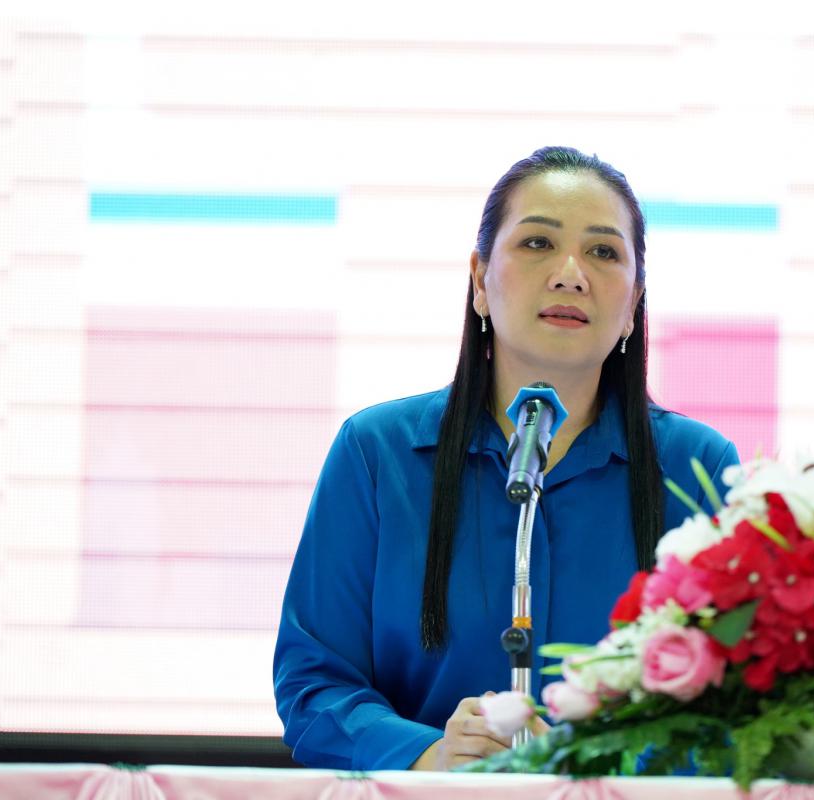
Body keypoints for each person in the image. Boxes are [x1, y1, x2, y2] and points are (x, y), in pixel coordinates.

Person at [273, 146, 739, 772]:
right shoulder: (376, 453)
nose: (571, 274)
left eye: (603, 252)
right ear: (479, 280)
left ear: (634, 302)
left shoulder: (699, 471)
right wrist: (431, 755)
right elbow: (315, 684)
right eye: (537, 243)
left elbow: (739, 711)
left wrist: (592, 763)